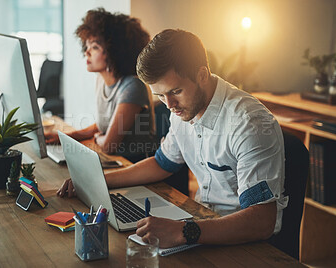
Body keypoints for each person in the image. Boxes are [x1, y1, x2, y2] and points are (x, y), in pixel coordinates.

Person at [58, 29, 287, 249]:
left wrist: (184, 232)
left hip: (242, 243)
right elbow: (161, 163)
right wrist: (97, 181)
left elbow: (261, 222)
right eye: (160, 95)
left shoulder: (249, 124)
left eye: (175, 91)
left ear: (202, 75)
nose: (169, 105)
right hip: (201, 225)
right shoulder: (182, 109)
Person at [45, 8, 156, 163]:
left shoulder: (133, 87)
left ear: (114, 52)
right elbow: (103, 125)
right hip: (112, 159)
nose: (87, 52)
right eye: (87, 45)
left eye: (95, 47)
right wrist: (64, 137)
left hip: (132, 165)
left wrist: (98, 139)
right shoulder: (101, 80)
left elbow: (109, 145)